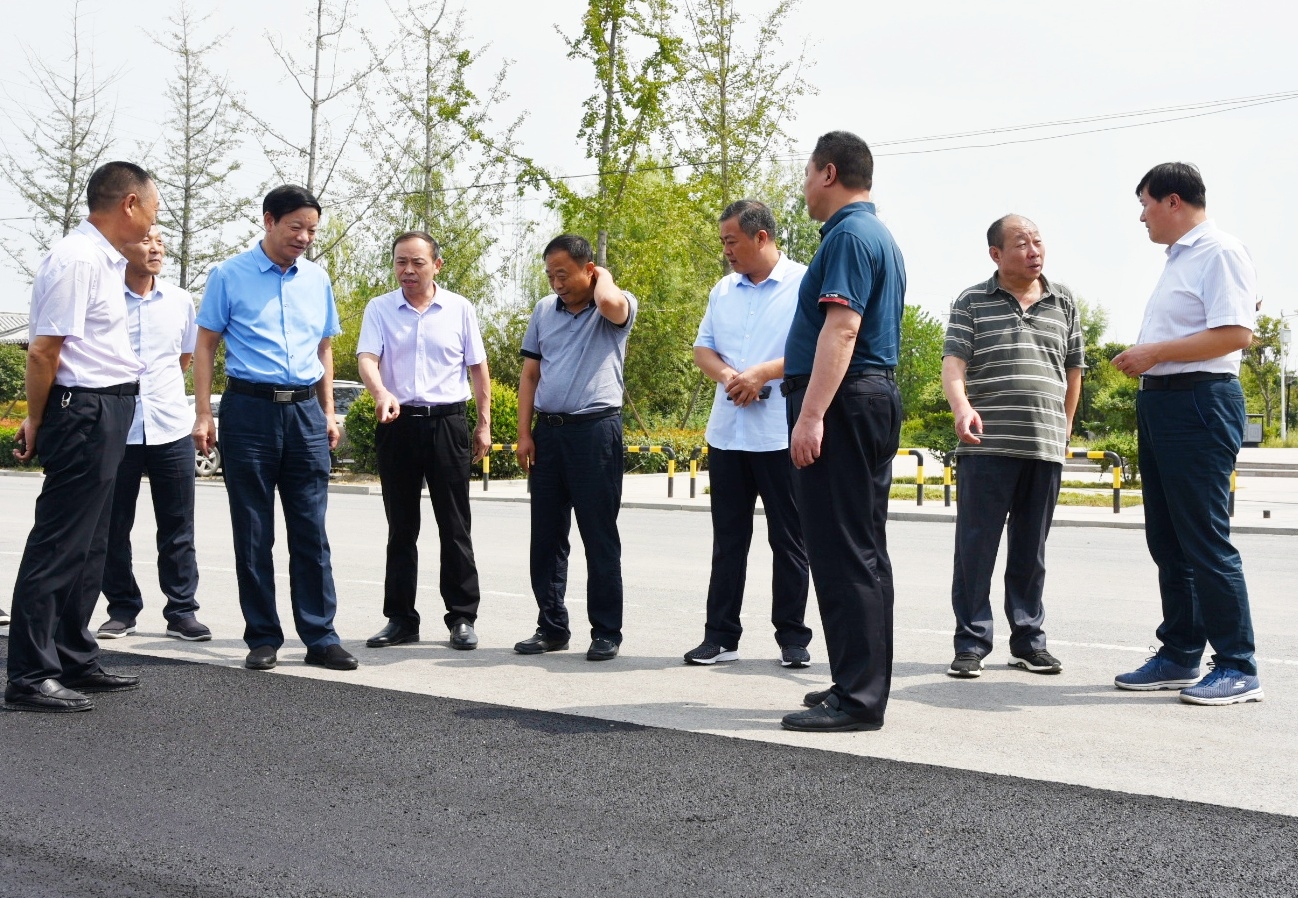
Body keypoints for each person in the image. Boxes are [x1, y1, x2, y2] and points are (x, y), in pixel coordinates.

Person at [4, 161, 156, 712]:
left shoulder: (103, 260)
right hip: (83, 409)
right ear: (129, 204)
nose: (154, 220)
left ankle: (72, 655)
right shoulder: (76, 259)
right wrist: (38, 419)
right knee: (60, 542)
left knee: (91, 545)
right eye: (153, 206)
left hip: (108, 406)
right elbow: (44, 350)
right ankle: (28, 674)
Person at [1111, 162, 1261, 705]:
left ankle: (1238, 665)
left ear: (1173, 201)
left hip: (1199, 401)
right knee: (1168, 539)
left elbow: (1237, 333)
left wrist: (1154, 352)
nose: (1142, 217)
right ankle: (1179, 653)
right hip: (1164, 402)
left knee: (1203, 538)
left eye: (1146, 204)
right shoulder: (1181, 258)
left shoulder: (1219, 251)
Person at [192, 185, 357, 672]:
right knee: (253, 529)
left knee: (311, 529)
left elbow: (324, 348)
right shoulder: (228, 275)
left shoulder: (317, 279)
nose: (304, 237)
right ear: (268, 221)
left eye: (312, 230)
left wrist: (328, 412)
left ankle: (321, 636)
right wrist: (203, 412)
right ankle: (262, 636)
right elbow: (205, 346)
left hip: (305, 413)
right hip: (249, 411)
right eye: (295, 227)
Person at [778, 131, 906, 733]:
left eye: (807, 173)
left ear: (828, 173)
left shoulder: (850, 236)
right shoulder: (874, 234)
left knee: (842, 551)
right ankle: (856, 680)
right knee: (862, 548)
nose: (805, 186)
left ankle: (858, 699)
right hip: (864, 398)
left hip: (845, 400)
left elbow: (843, 329)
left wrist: (811, 416)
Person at [940, 215, 1084, 678]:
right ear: (996, 254)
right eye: (1021, 243)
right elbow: (954, 364)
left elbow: (1073, 370)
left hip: (1043, 446)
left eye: (1038, 241)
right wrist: (961, 407)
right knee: (976, 549)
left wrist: (1064, 427)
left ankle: (1027, 641)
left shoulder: (1063, 301)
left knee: (1030, 551)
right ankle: (971, 644)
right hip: (986, 445)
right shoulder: (972, 301)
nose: (1034, 250)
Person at [685, 199, 811, 669]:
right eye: (723, 242)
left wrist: (761, 374)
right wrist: (730, 378)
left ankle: (793, 638)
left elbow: (817, 349)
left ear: (761, 237)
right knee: (728, 541)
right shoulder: (723, 290)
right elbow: (703, 349)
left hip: (781, 434)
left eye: (731, 241)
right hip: (727, 434)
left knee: (790, 541)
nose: (726, 251)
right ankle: (720, 637)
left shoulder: (804, 283)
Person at [357, 231, 490, 651]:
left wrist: (483, 424)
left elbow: (478, 368)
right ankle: (400, 619)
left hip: (447, 423)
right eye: (401, 262)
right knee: (401, 527)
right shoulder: (380, 308)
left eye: (417, 262)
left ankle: (462, 617)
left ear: (437, 265)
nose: (408, 270)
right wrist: (381, 393)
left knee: (454, 526)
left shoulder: (459, 308)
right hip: (397, 423)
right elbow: (367, 358)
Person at [513, 235, 636, 662]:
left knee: (598, 535)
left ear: (589, 270)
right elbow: (530, 375)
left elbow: (611, 303)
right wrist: (524, 433)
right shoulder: (544, 311)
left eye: (563, 274)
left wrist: (605, 277)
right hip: (549, 434)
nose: (556, 283)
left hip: (595, 433)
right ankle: (551, 627)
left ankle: (606, 631)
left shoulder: (615, 305)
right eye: (550, 275)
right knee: (546, 537)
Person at [96, 225, 210, 643]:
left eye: (160, 242)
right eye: (146, 240)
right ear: (123, 246)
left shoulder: (180, 301)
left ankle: (182, 611)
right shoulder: (104, 298)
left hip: (170, 426)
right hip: (118, 429)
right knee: (112, 526)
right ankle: (122, 609)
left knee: (178, 526)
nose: (156, 248)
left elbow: (184, 357)